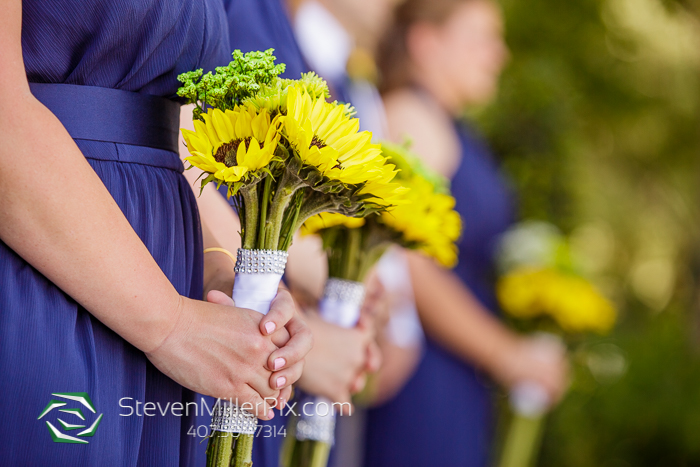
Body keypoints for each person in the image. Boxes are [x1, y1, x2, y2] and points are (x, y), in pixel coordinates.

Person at [0, 1, 312, 465]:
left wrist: (219, 274)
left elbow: (167, 142)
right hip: (47, 254)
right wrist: (170, 323)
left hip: (166, 271)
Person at [364, 1, 569, 466]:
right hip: (424, 380)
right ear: (425, 42)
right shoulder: (411, 117)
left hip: (459, 375)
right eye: (481, 38)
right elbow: (406, 261)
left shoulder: (451, 124)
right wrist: (509, 355)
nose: (498, 55)